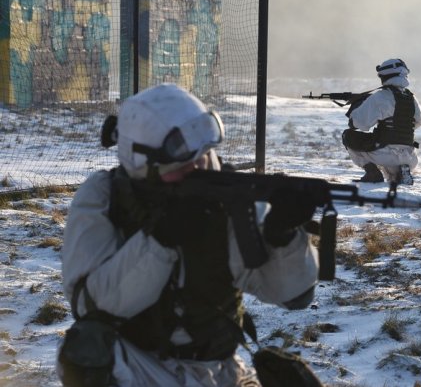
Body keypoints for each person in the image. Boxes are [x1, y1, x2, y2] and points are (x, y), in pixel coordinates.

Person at [57, 83, 322, 387]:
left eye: (203, 155)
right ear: (143, 163)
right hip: (139, 366)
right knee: (83, 352)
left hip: (217, 368)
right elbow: (90, 307)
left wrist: (284, 238)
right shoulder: (104, 196)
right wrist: (160, 242)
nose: (198, 167)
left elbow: (293, 295)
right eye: (181, 163)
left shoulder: (227, 194)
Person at [341, 58, 421, 185]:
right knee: (393, 164)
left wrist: (358, 106)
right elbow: (417, 123)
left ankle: (372, 172)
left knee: (348, 136)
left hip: (384, 154)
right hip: (410, 157)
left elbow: (359, 124)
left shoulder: (381, 96)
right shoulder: (411, 98)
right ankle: (401, 172)